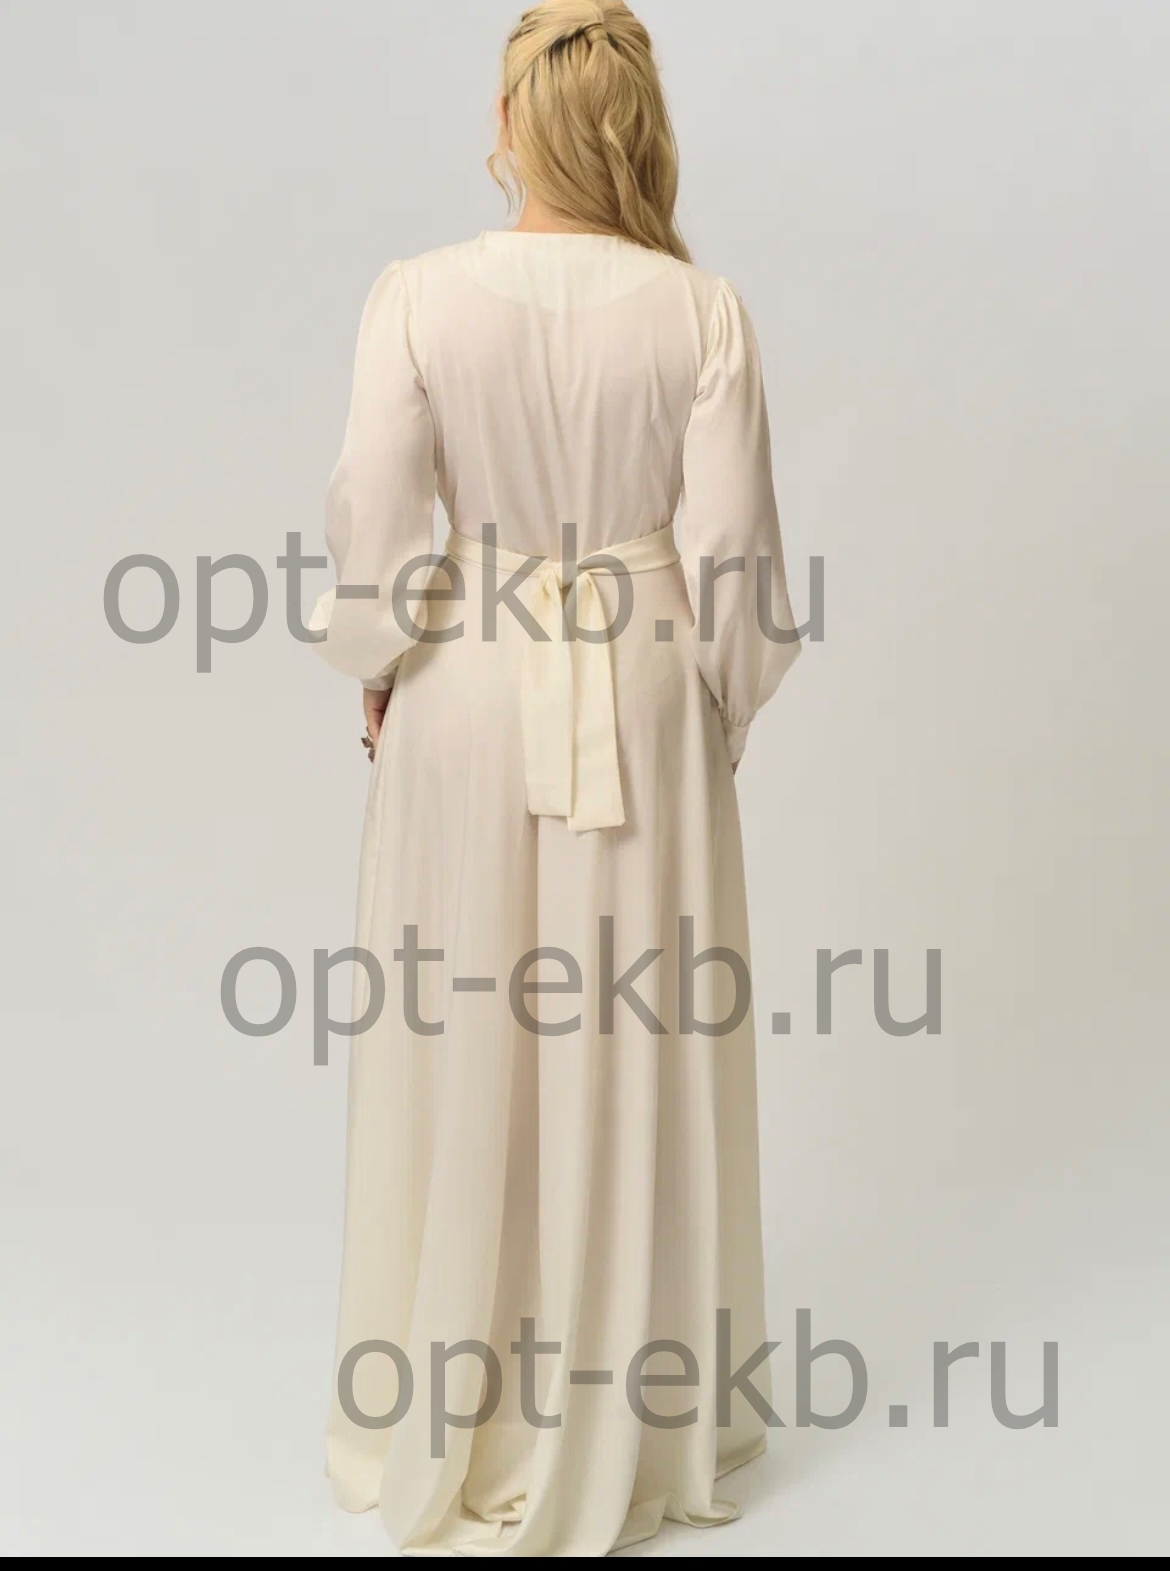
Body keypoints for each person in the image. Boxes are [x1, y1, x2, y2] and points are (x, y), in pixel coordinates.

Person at [310, 0, 802, 1554]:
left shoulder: (416, 296)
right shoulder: (701, 313)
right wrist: (711, 715)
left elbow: (373, 516)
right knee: (636, 1030)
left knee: (462, 1028)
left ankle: (452, 1403)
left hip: (466, 680)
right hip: (644, 686)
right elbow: (738, 563)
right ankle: (632, 1417)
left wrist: (380, 660)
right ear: (637, 128)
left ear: (510, 120)